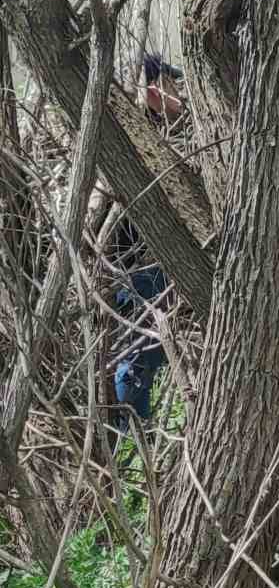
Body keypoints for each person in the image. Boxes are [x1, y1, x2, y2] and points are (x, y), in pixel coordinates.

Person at [108, 53, 185, 427]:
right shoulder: (141, 137)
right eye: (172, 86)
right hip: (140, 270)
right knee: (138, 357)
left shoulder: (160, 134)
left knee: (140, 357)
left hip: (151, 268)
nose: (180, 98)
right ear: (152, 90)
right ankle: (130, 437)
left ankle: (134, 438)